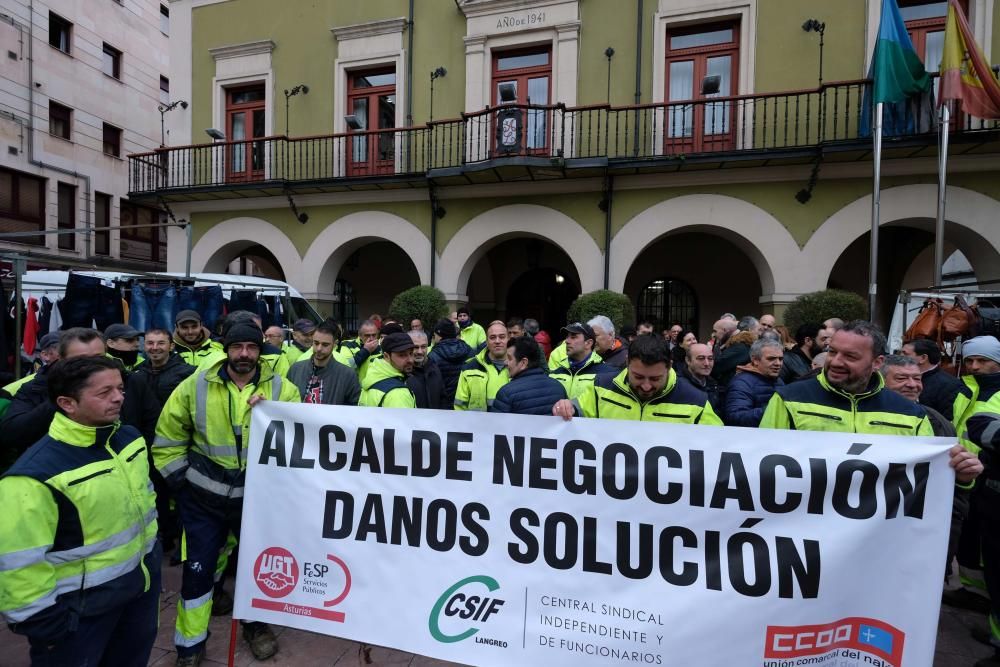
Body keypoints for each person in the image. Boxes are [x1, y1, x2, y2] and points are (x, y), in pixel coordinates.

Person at [153, 322, 300, 665]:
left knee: (254, 568)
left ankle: (255, 626)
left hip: (256, 503)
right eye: (237, 347)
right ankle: (190, 645)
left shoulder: (283, 388)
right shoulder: (196, 385)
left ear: (260, 350)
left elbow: (300, 442)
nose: (244, 354)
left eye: (251, 347)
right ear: (225, 349)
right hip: (202, 502)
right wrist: (184, 487)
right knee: (198, 571)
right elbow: (167, 440)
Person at [0, 356, 160, 666]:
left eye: (120, 388)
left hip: (137, 596)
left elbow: (146, 503)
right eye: (104, 392)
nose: (118, 398)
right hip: (78, 617)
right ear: (67, 403)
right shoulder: (33, 476)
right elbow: (17, 564)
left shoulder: (129, 438)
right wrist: (48, 627)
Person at [120, 327, 196, 551]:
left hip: (178, 445)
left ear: (171, 346)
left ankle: (185, 543)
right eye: (150, 343)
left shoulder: (187, 373)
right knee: (156, 494)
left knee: (182, 495)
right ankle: (164, 536)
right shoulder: (137, 373)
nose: (155, 348)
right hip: (147, 445)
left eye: (160, 343)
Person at [553, 334, 722, 424]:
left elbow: (717, 445)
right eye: (638, 377)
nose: (647, 386)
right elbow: (579, 409)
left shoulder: (696, 400)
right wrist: (568, 407)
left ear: (669, 367)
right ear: (627, 363)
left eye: (655, 378)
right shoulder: (600, 387)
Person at [948, 336, 1000, 621]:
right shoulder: (963, 388)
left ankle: (990, 599)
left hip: (991, 478)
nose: (975, 366)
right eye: (970, 361)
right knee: (968, 537)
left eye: (983, 361)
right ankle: (974, 591)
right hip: (959, 473)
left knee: (987, 542)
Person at [2, 328, 106, 457]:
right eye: (81, 360)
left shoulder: (122, 381)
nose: (93, 365)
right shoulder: (34, 388)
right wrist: (61, 396)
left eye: (99, 358)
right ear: (61, 359)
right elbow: (11, 433)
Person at [287, 320, 360, 406]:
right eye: (316, 343)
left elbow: (354, 410)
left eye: (325, 345)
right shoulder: (295, 369)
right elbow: (284, 401)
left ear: (334, 344)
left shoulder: (348, 375)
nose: (319, 348)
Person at [491, 336, 566, 415]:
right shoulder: (559, 388)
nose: (505, 362)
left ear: (523, 363)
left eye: (509, 358)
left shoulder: (506, 393)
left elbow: (497, 425)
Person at [725, 338, 785, 427]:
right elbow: (735, 417)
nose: (778, 363)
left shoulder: (779, 380)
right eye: (771, 359)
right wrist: (773, 411)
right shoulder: (742, 383)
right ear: (755, 360)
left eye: (780, 359)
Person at [902, 338, 964, 419]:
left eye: (905, 354)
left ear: (923, 358)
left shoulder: (950, 386)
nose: (900, 357)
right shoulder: (898, 377)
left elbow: (945, 422)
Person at [455, 321, 510, 411]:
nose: (497, 341)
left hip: (509, 423)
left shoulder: (519, 367)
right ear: (487, 342)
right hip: (477, 424)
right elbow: (460, 405)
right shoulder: (469, 367)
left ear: (508, 339)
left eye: (502, 337)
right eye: (492, 337)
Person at [550, 322, 610, 400]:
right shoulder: (556, 372)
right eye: (567, 337)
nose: (567, 341)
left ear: (588, 343)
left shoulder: (605, 373)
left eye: (573, 337)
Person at [359, 332, 417, 408]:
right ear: (386, 356)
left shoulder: (373, 376)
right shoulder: (398, 394)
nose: (410, 360)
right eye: (402, 355)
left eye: (411, 353)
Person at [428, 318, 473, 406]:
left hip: (443, 404)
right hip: (465, 402)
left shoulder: (433, 355)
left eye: (435, 335)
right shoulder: (468, 350)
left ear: (440, 335)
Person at [406, 330, 446, 409]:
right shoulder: (403, 374)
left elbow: (443, 398)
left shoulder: (434, 368)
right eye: (415, 347)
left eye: (423, 346)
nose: (420, 351)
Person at [680, 343, 723, 414]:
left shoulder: (713, 384)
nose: (707, 363)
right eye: (701, 358)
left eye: (710, 359)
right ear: (688, 360)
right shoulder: (679, 386)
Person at [712, 319, 755, 387]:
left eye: (715, 331)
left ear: (725, 330)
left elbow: (716, 366)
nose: (713, 335)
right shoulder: (733, 345)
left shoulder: (740, 347)